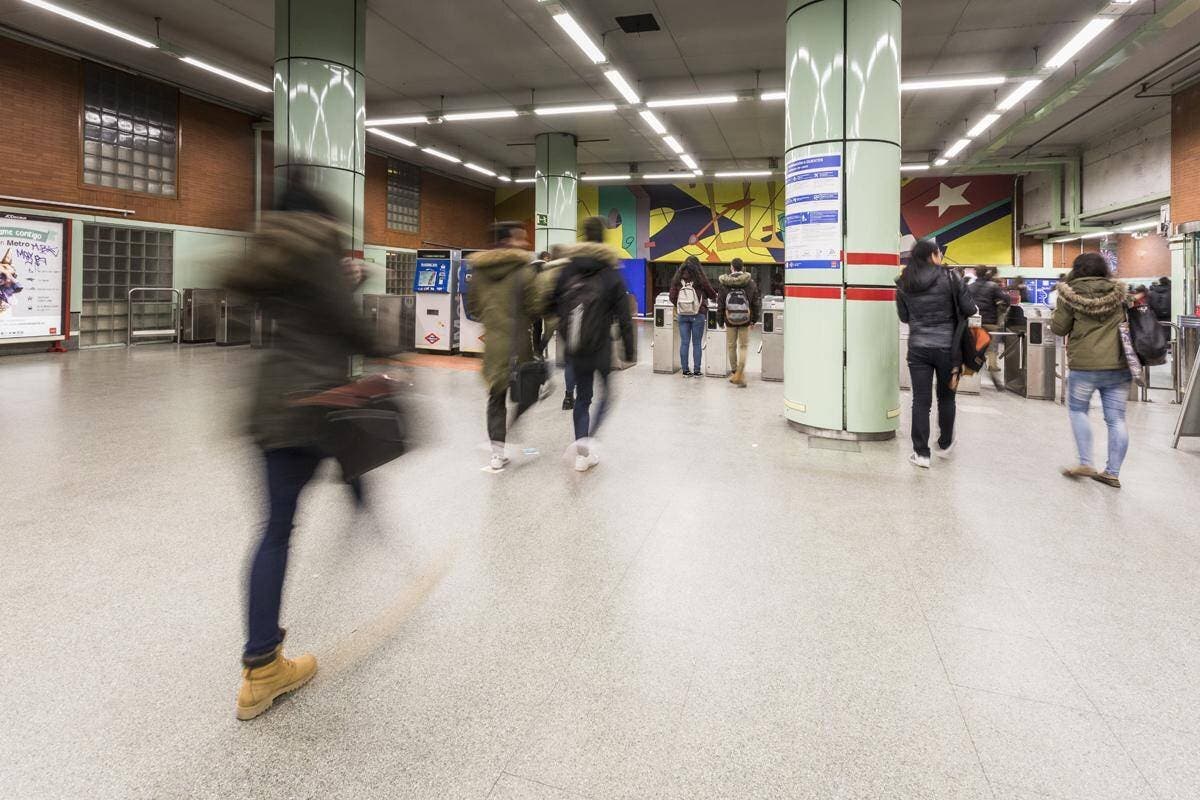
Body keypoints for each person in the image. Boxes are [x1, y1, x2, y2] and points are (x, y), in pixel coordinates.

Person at [223, 180, 379, 721]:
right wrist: (388, 346)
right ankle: (367, 509)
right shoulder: (318, 253)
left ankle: (260, 666)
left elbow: (301, 315)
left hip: (268, 408)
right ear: (320, 217)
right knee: (356, 449)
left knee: (273, 529)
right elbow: (348, 326)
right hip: (316, 404)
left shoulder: (269, 257)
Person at [467, 222, 555, 471]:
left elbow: (473, 308)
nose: (525, 244)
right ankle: (512, 427)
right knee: (527, 392)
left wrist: (494, 321)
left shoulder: (479, 271)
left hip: (493, 345)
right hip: (519, 345)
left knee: (495, 397)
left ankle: (497, 453)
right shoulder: (524, 271)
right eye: (520, 239)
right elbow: (536, 307)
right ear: (508, 241)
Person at [550, 216, 636, 472]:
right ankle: (589, 442)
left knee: (582, 398)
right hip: (600, 346)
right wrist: (629, 350)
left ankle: (581, 452)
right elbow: (624, 316)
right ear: (603, 237)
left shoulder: (568, 268)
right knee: (608, 395)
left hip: (576, 347)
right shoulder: (610, 272)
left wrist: (566, 336)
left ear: (582, 236)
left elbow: (551, 304)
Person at [1052, 252, 1131, 488]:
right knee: (1116, 419)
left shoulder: (1069, 295)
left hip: (1084, 364)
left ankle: (1086, 461)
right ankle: (1112, 472)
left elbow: (1059, 327)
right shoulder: (1119, 295)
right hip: (1118, 363)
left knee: (1078, 411)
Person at [895, 239, 977, 469]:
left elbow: (904, 316)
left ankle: (921, 453)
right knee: (947, 397)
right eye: (939, 254)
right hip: (948, 350)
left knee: (921, 401)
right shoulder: (951, 278)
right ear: (933, 255)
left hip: (918, 348)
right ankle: (945, 442)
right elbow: (970, 309)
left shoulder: (903, 281)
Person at [669, 256, 716, 376]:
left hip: (682, 315)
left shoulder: (678, 278)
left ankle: (685, 370)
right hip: (697, 314)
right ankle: (697, 370)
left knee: (684, 342)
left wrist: (680, 307)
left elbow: (672, 297)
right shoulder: (700, 278)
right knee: (696, 343)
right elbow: (711, 293)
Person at [717, 258, 761, 387]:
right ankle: (740, 374)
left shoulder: (724, 283)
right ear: (743, 268)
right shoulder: (750, 283)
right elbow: (755, 303)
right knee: (743, 346)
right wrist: (753, 320)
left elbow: (720, 304)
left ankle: (735, 372)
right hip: (745, 320)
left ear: (731, 268)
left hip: (729, 319)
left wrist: (720, 321)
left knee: (731, 346)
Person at [968, 267, 1010, 371]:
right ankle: (992, 365)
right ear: (986, 273)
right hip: (989, 320)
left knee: (974, 344)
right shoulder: (993, 286)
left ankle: (972, 364)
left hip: (974, 320)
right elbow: (1005, 298)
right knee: (992, 343)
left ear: (976, 274)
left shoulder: (970, 286)